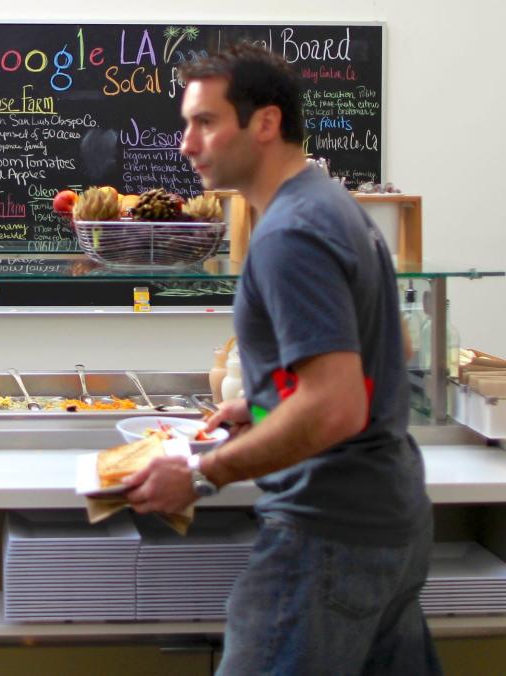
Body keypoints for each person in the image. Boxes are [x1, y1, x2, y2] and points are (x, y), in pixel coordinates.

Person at [123, 45, 439, 674]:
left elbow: (337, 404)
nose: (187, 144)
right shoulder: (334, 204)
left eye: (206, 122)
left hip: (327, 535)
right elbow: (388, 351)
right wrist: (266, 402)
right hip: (391, 521)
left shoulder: (290, 232)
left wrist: (202, 475)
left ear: (264, 123)